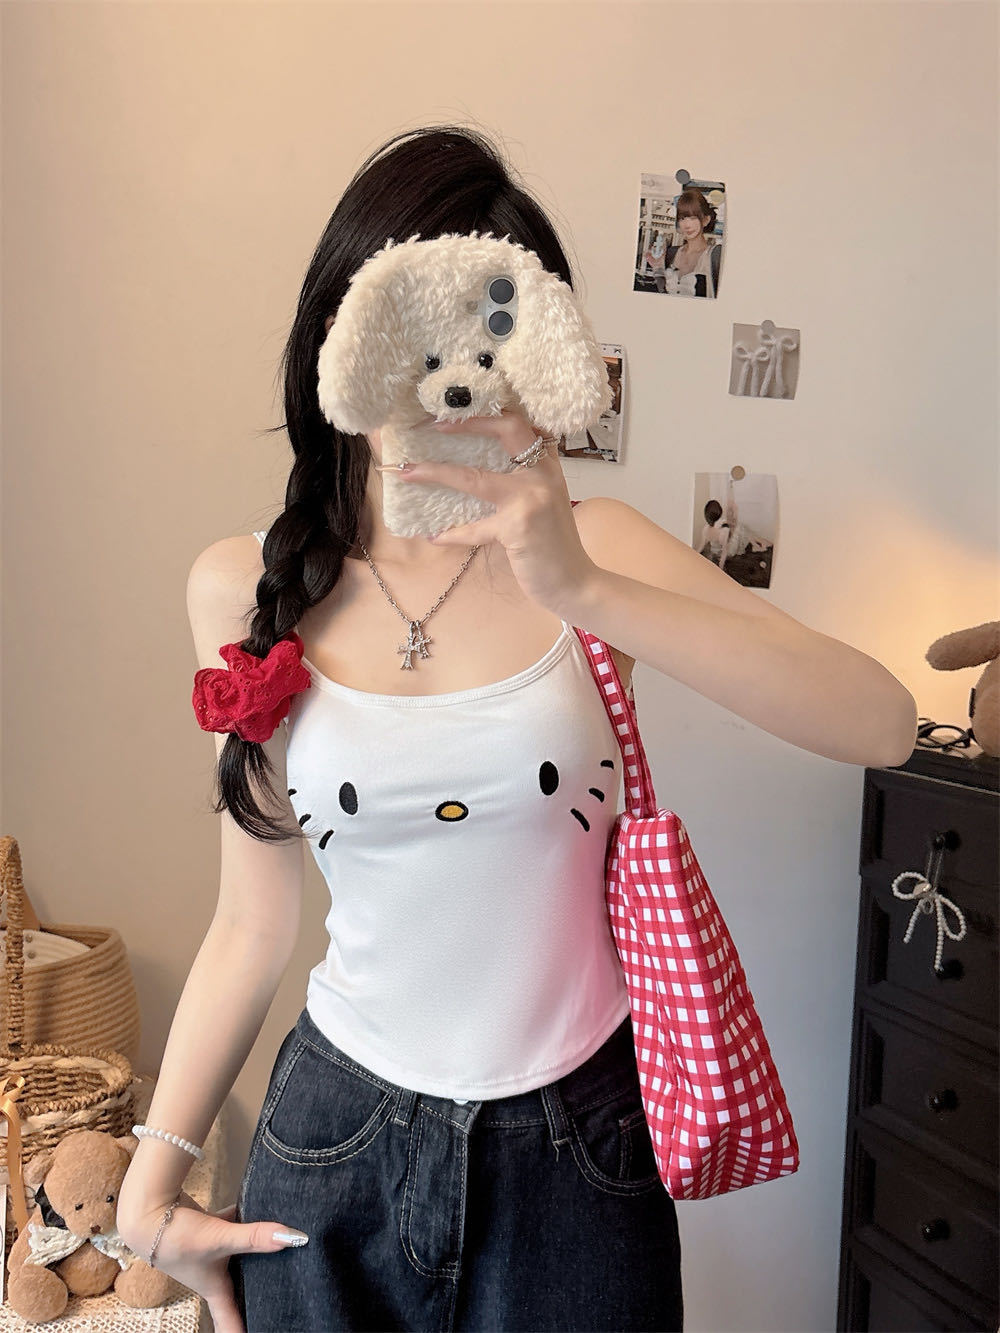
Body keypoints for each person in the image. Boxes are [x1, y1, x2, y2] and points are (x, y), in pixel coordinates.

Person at [116, 124, 918, 1333]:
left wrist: (579, 585)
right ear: (341, 338)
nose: (445, 377)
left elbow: (882, 721)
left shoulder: (603, 548)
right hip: (334, 1145)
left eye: (490, 332)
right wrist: (150, 1182)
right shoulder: (248, 583)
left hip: (579, 1151)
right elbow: (252, 919)